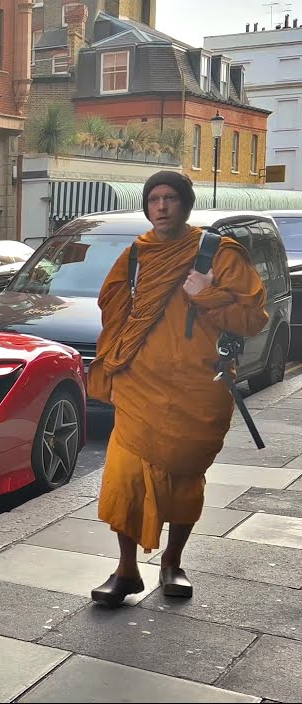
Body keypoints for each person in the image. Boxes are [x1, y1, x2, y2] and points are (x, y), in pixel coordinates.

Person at [86, 170, 268, 607]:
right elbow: (114, 318)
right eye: (154, 199)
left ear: (185, 205)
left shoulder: (217, 254)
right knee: (124, 478)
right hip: (139, 386)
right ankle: (126, 570)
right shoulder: (134, 256)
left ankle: (172, 562)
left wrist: (207, 293)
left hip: (196, 389)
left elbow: (253, 318)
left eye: (170, 198)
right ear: (147, 206)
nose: (162, 206)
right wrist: (111, 368)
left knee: (185, 480)